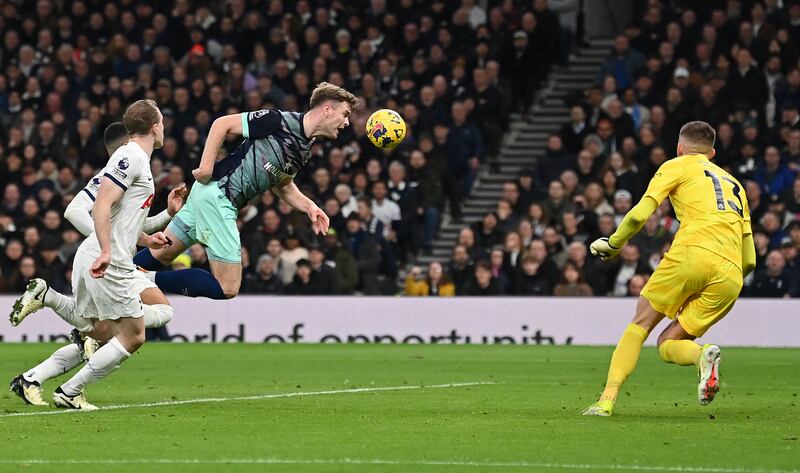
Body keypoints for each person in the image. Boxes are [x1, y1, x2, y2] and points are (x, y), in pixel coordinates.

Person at [583, 121, 756, 416]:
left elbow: (639, 216)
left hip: (692, 254)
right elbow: (750, 258)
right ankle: (702, 355)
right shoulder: (735, 185)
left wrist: (614, 244)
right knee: (668, 342)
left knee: (640, 324)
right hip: (731, 273)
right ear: (712, 153)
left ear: (679, 147)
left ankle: (606, 400)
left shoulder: (678, 165)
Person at [9, 121, 186, 408]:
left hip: (108, 256)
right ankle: (67, 388)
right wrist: (106, 242)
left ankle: (32, 375)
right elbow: (74, 210)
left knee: (101, 333)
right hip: (108, 259)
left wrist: (166, 214)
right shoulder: (117, 170)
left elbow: (133, 226)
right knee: (132, 329)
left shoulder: (129, 173)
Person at [133, 82, 357, 300]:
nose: (347, 122)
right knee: (227, 286)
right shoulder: (277, 121)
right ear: (327, 109)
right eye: (345, 114)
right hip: (219, 197)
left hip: (206, 196)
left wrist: (310, 206)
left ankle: (120, 274)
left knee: (159, 253)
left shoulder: (305, 148)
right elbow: (222, 124)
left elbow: (282, 185)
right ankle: (142, 279)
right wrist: (206, 167)